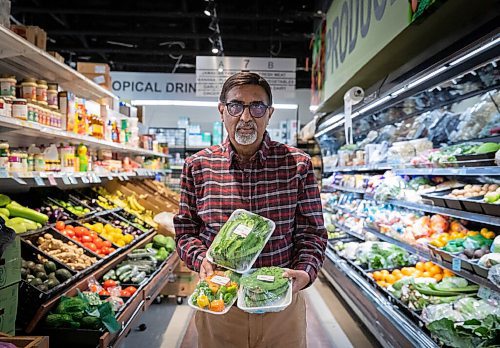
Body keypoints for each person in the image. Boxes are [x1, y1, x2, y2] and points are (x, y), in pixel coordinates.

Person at [174, 72, 327, 348]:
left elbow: (312, 233)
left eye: (256, 106)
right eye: (235, 106)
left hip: (282, 306)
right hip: (220, 304)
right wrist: (201, 261)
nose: (246, 117)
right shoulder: (197, 166)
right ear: (222, 110)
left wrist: (305, 273)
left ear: (269, 113)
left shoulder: (297, 165)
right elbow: (186, 231)